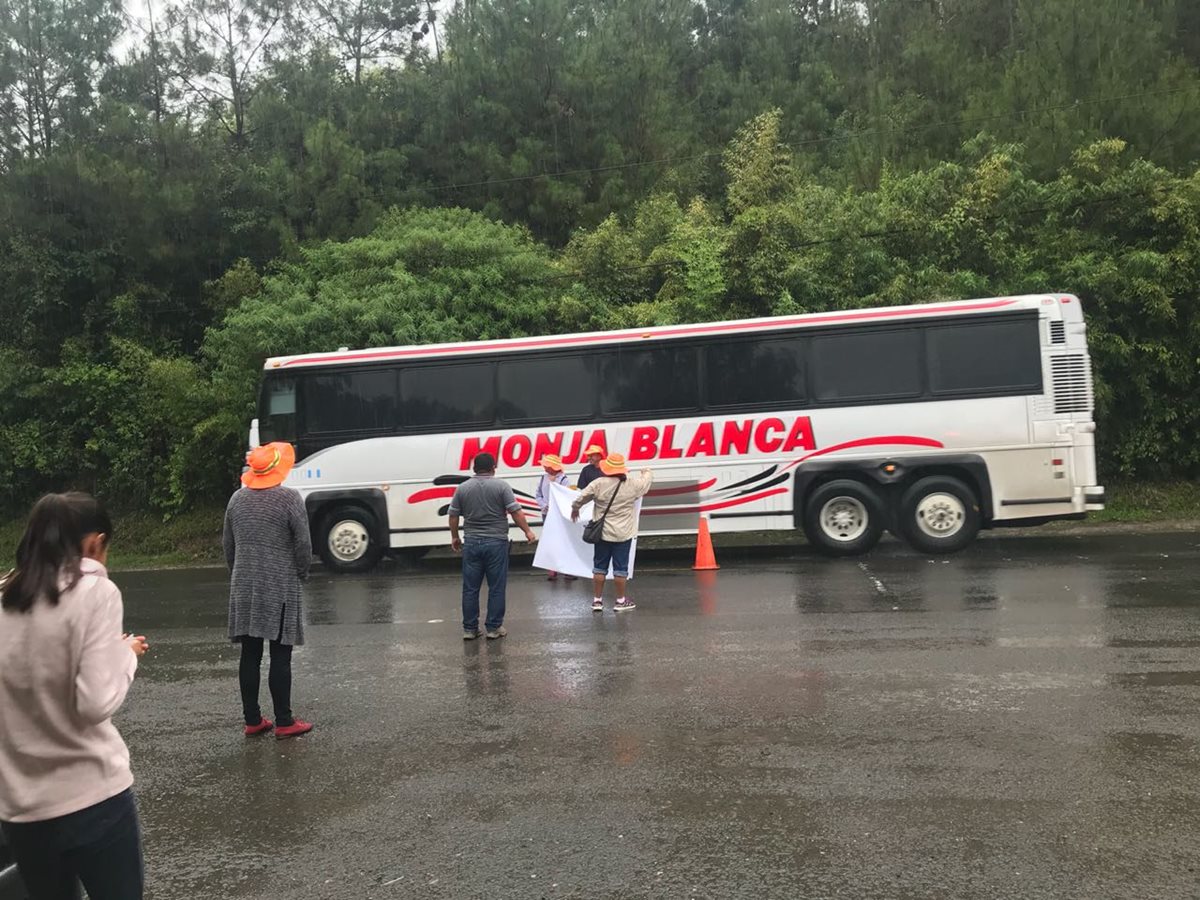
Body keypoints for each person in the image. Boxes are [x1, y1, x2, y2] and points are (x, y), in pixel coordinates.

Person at [0, 492, 149, 900]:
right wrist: (125, 656)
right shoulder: (96, 593)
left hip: (21, 808)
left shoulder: (4, 597)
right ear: (94, 544)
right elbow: (95, 702)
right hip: (93, 799)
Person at [224, 441, 314, 739]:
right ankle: (285, 721)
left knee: (249, 654)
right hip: (280, 583)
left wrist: (239, 572)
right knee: (280, 653)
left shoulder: (237, 500)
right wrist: (302, 572)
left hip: (244, 583)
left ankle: (252, 720)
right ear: (278, 469)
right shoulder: (289, 499)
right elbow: (303, 544)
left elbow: (228, 545)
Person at [448, 452, 537, 640]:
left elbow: (454, 515)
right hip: (496, 543)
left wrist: (455, 537)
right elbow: (516, 512)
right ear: (493, 468)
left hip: (471, 542)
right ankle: (493, 627)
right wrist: (527, 531)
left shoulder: (462, 488)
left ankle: (470, 629)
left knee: (470, 588)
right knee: (496, 586)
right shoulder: (501, 486)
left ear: (474, 469)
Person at [571, 452, 653, 613]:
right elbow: (646, 483)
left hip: (602, 533)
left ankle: (597, 600)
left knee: (599, 567)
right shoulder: (633, 484)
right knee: (620, 569)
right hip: (623, 534)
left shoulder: (598, 483)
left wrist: (575, 509)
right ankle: (620, 601)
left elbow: (581, 498)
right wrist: (647, 472)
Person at [534, 454, 574, 581]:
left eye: (546, 466)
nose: (544, 468)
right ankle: (552, 568)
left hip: (559, 515)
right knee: (550, 540)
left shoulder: (564, 479)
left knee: (564, 540)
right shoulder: (542, 478)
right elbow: (538, 494)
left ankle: (567, 569)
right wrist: (544, 505)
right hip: (547, 514)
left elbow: (565, 497)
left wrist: (552, 482)